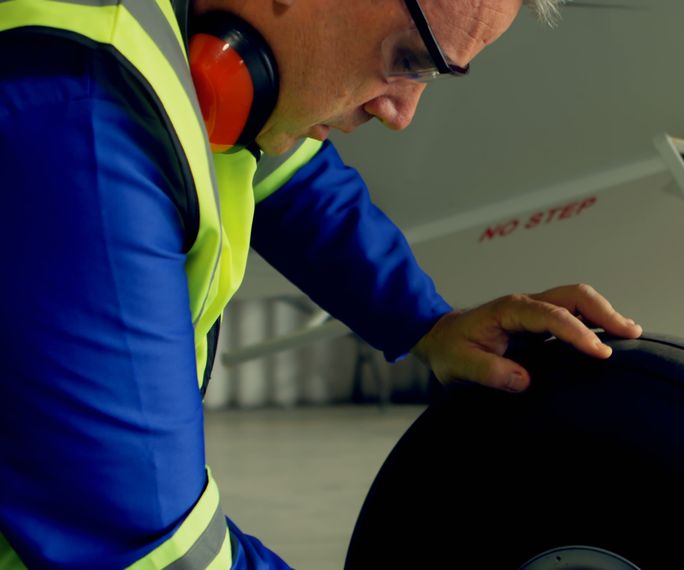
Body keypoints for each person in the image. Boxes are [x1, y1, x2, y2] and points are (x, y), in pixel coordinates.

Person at [0, 0, 642, 567]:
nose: (400, 112)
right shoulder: (76, 122)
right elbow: (150, 550)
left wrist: (429, 323)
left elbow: (289, 180)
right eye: (407, 61)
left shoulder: (184, 48)